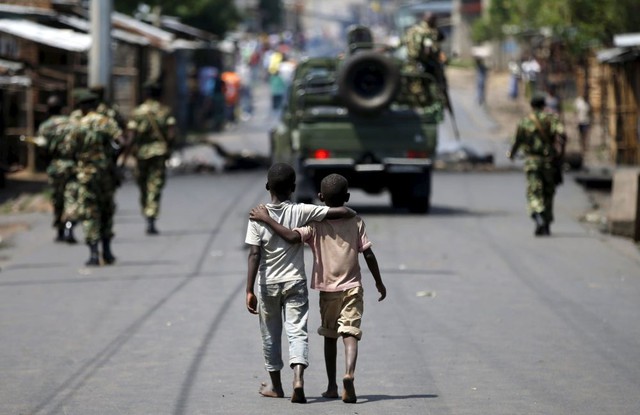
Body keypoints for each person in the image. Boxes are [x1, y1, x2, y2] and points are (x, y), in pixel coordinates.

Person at [250, 173, 386, 404]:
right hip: (352, 286)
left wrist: (267, 219)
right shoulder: (355, 221)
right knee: (349, 331)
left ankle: (332, 386)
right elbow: (368, 253)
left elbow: (292, 237)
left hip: (327, 290)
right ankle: (349, 373)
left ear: (321, 197)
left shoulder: (314, 223)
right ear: (348, 196)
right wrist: (378, 281)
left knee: (329, 335)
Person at [70, 90, 124, 265]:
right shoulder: (106, 122)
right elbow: (122, 141)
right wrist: (113, 160)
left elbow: (70, 148)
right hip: (105, 173)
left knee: (89, 211)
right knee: (106, 209)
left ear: (83, 107)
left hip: (86, 174)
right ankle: (107, 252)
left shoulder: (78, 125)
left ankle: (94, 253)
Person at [508, 93, 567, 236]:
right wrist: (559, 153)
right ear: (544, 105)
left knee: (534, 192)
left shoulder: (525, 122)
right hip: (549, 163)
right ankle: (546, 224)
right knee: (548, 193)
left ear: (532, 105)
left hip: (532, 162)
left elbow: (517, 141)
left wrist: (512, 154)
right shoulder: (552, 119)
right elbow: (563, 134)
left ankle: (538, 214)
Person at [126, 81, 176, 235]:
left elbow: (131, 135)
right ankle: (151, 217)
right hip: (159, 153)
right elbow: (171, 133)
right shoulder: (165, 111)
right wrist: (169, 147)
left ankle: (147, 212)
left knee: (143, 184)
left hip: (141, 153)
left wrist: (127, 151)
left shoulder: (138, 112)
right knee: (155, 185)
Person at [37, 95, 78, 243]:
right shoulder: (72, 124)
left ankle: (60, 230)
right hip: (72, 166)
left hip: (55, 167)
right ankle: (69, 227)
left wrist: (48, 163)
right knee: (71, 197)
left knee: (58, 199)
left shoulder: (45, 126)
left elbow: (42, 149)